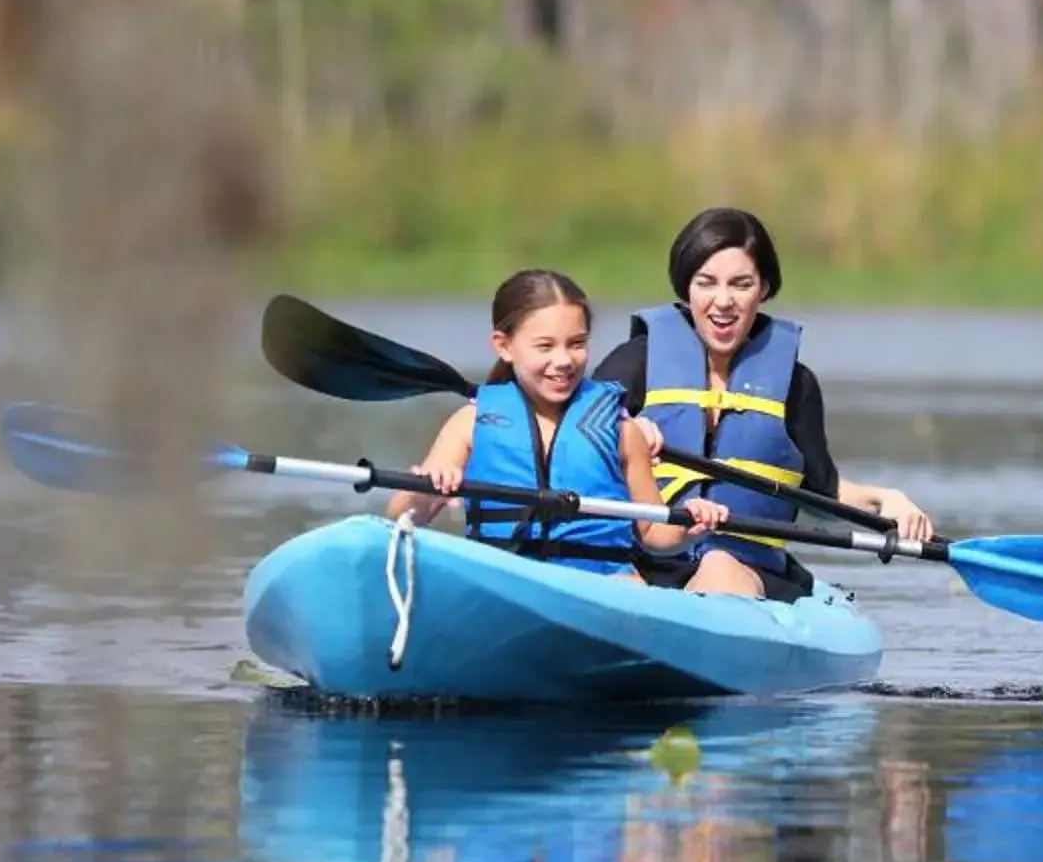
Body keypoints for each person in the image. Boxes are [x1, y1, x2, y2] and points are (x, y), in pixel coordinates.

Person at [591, 207, 934, 600]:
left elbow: (821, 493)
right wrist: (625, 426)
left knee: (719, 565)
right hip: (647, 559)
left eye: (741, 284)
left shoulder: (795, 384)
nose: (723, 301)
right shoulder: (636, 361)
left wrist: (886, 499)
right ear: (687, 288)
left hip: (744, 565)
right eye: (707, 283)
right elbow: (577, 433)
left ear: (764, 289)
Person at [394, 267, 727, 573]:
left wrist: (688, 527)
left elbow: (653, 532)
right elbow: (400, 516)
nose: (564, 360)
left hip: (601, 583)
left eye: (577, 344)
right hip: (501, 578)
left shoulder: (622, 430)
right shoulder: (469, 423)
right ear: (503, 346)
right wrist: (424, 492)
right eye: (545, 346)